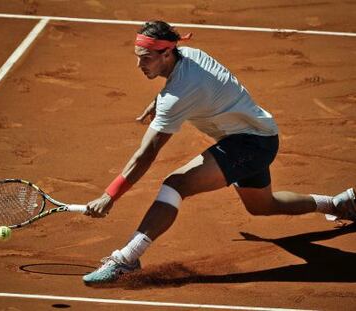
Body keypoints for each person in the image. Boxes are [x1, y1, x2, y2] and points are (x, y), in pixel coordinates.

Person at [82, 21, 356, 285]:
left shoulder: (177, 95)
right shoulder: (187, 55)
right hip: (259, 136)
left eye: (145, 58)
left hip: (250, 143)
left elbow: (146, 154)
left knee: (176, 185)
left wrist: (110, 195)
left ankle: (127, 259)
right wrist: (159, 99)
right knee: (263, 206)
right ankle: (338, 204)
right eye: (137, 57)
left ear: (166, 52)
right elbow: (184, 87)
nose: (139, 65)